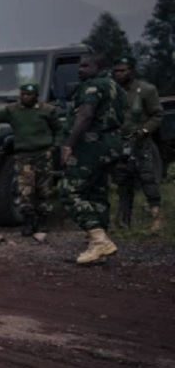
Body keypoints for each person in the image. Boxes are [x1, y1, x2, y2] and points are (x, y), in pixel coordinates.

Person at [0, 83, 61, 238]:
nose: (26, 97)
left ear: (36, 96)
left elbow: (58, 129)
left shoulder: (47, 110)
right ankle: (28, 221)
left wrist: (55, 146)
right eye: (23, 94)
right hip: (23, 154)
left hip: (43, 153)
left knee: (44, 188)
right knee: (25, 189)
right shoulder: (13, 110)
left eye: (29, 95)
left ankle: (43, 221)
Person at [57, 53, 127, 264]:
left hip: (91, 145)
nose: (80, 70)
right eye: (80, 66)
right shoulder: (116, 87)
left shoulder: (93, 86)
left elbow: (86, 115)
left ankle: (98, 239)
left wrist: (69, 143)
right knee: (97, 191)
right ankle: (99, 246)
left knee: (69, 191)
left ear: (99, 67)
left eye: (86, 66)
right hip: (111, 144)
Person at [110, 55, 164, 233]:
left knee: (148, 179)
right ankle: (123, 221)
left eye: (123, 70)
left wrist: (145, 130)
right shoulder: (112, 91)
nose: (119, 74)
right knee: (123, 182)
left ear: (131, 70)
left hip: (141, 142)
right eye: (116, 70)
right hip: (120, 142)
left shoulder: (146, 90)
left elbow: (157, 115)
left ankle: (157, 218)